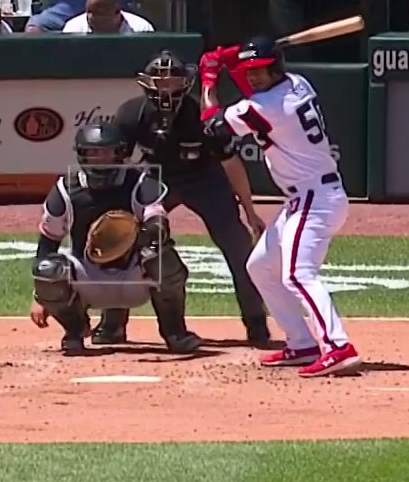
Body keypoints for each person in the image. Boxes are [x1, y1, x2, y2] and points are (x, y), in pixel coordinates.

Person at [201, 36, 359, 378]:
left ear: (276, 67)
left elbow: (213, 126)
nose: (254, 76)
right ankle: (302, 342)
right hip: (305, 198)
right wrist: (233, 61)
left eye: (260, 69)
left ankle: (337, 346)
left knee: (298, 274)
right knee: (259, 266)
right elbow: (253, 94)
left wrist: (210, 79)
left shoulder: (267, 108)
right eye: (249, 70)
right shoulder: (298, 84)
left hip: (316, 199)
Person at [101, 51, 270, 347]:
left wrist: (249, 210)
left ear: (186, 82)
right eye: (160, 80)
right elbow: (118, 166)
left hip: (205, 180)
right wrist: (117, 208)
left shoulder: (203, 118)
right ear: (147, 83)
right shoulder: (131, 113)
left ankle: (256, 322)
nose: (166, 87)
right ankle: (113, 322)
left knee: (237, 243)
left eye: (173, 80)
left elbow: (231, 164)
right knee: (124, 238)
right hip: (155, 176)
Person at [29, 122, 203, 355]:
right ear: (82, 155)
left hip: (133, 276)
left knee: (163, 256)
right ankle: (76, 330)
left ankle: (175, 333)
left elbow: (157, 218)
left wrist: (147, 233)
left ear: (120, 153)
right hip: (88, 275)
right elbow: (48, 242)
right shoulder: (65, 189)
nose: (100, 158)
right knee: (48, 268)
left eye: (107, 152)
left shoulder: (139, 182)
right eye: (93, 153)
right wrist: (40, 296)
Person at [62, 0, 155, 32]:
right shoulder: (73, 29)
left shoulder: (141, 28)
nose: (91, 17)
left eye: (99, 13)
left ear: (117, 12)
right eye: (89, 11)